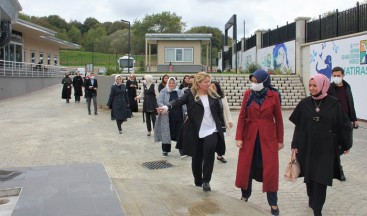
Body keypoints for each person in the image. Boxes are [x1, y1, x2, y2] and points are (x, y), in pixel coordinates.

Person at [290, 73, 352, 216]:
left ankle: (318, 209)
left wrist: (346, 144)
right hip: (308, 148)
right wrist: (294, 144)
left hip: (326, 149)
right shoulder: (304, 103)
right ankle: (312, 201)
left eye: (314, 85)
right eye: (310, 85)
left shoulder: (333, 103)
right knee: (310, 179)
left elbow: (342, 125)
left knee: (321, 180)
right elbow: (298, 127)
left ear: (323, 85)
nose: (311, 88)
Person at [158, 72, 226, 192]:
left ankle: (206, 181)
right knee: (197, 156)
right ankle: (198, 180)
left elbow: (219, 112)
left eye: (209, 81)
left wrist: (223, 127)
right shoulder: (190, 94)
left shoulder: (213, 95)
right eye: (206, 82)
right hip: (196, 130)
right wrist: (167, 107)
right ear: (199, 83)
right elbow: (178, 101)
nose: (209, 84)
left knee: (209, 153)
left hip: (212, 130)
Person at [235, 69, 283, 216]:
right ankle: (245, 195)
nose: (254, 84)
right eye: (252, 81)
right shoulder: (248, 94)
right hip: (250, 136)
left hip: (268, 137)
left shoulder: (274, 95)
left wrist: (280, 140)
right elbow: (242, 116)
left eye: (257, 82)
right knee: (246, 167)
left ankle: (273, 202)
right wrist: (239, 137)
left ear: (265, 82)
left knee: (270, 169)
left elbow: (279, 119)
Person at [327, 66, 358, 181]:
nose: (336, 78)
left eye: (338, 75)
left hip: (346, 122)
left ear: (343, 75)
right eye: (334, 75)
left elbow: (351, 103)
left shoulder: (347, 87)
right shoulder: (329, 88)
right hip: (334, 122)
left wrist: (354, 119)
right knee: (336, 147)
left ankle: (333, 166)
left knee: (347, 145)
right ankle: (339, 170)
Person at [155, 77, 184, 157]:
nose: (171, 84)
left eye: (173, 83)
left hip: (178, 116)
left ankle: (182, 151)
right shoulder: (163, 91)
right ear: (168, 83)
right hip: (166, 115)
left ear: (175, 84)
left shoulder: (179, 92)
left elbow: (183, 102)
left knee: (180, 133)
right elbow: (159, 101)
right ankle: (165, 150)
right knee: (166, 133)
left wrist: (186, 111)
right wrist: (163, 107)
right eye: (170, 83)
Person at [211, 81, 233, 163]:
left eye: (214, 86)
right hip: (211, 122)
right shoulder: (208, 96)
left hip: (221, 121)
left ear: (217, 87)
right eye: (211, 86)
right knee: (212, 140)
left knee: (221, 139)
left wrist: (230, 121)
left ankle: (220, 155)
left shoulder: (222, 97)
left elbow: (226, 109)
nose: (212, 88)